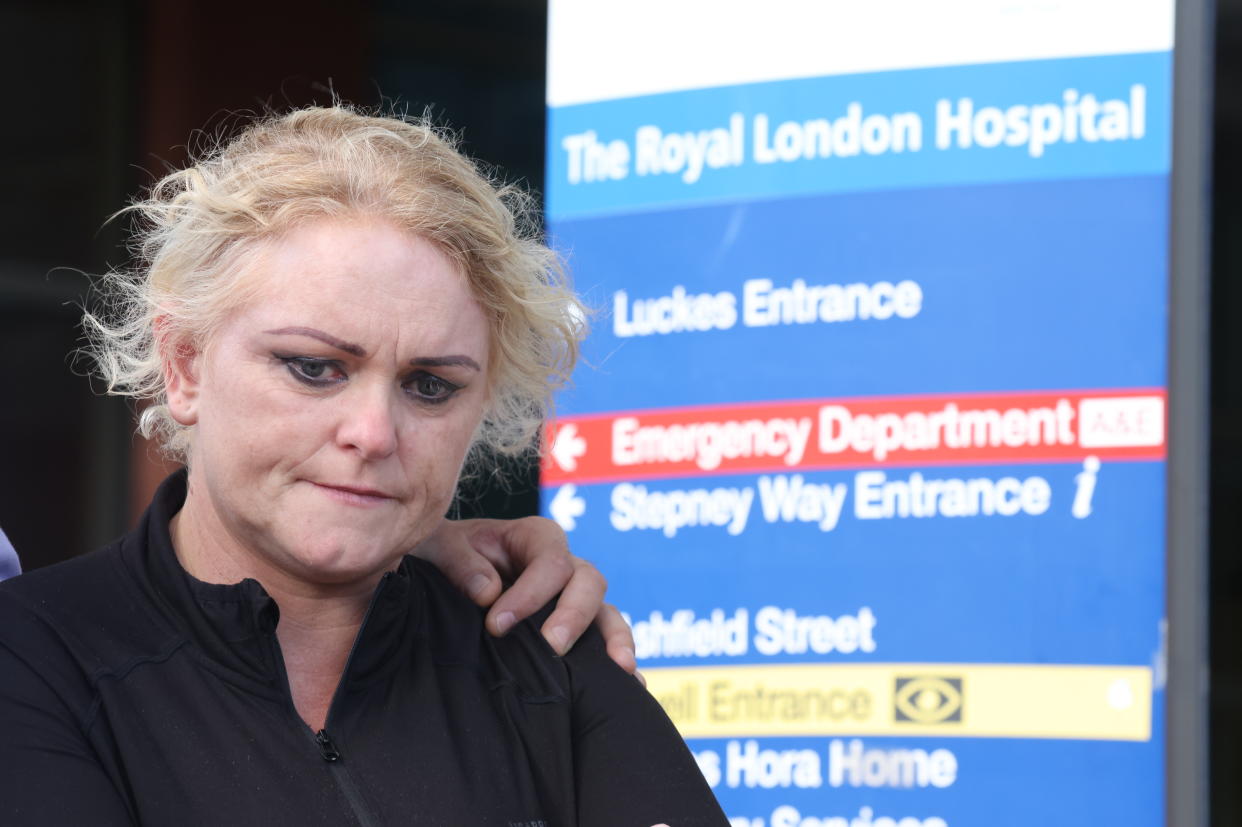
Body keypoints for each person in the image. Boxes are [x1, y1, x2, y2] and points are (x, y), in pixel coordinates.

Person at [0, 105, 725, 826]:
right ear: (184, 363)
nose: (374, 432)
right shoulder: (32, 657)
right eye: (315, 367)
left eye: (431, 385)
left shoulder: (548, 653)